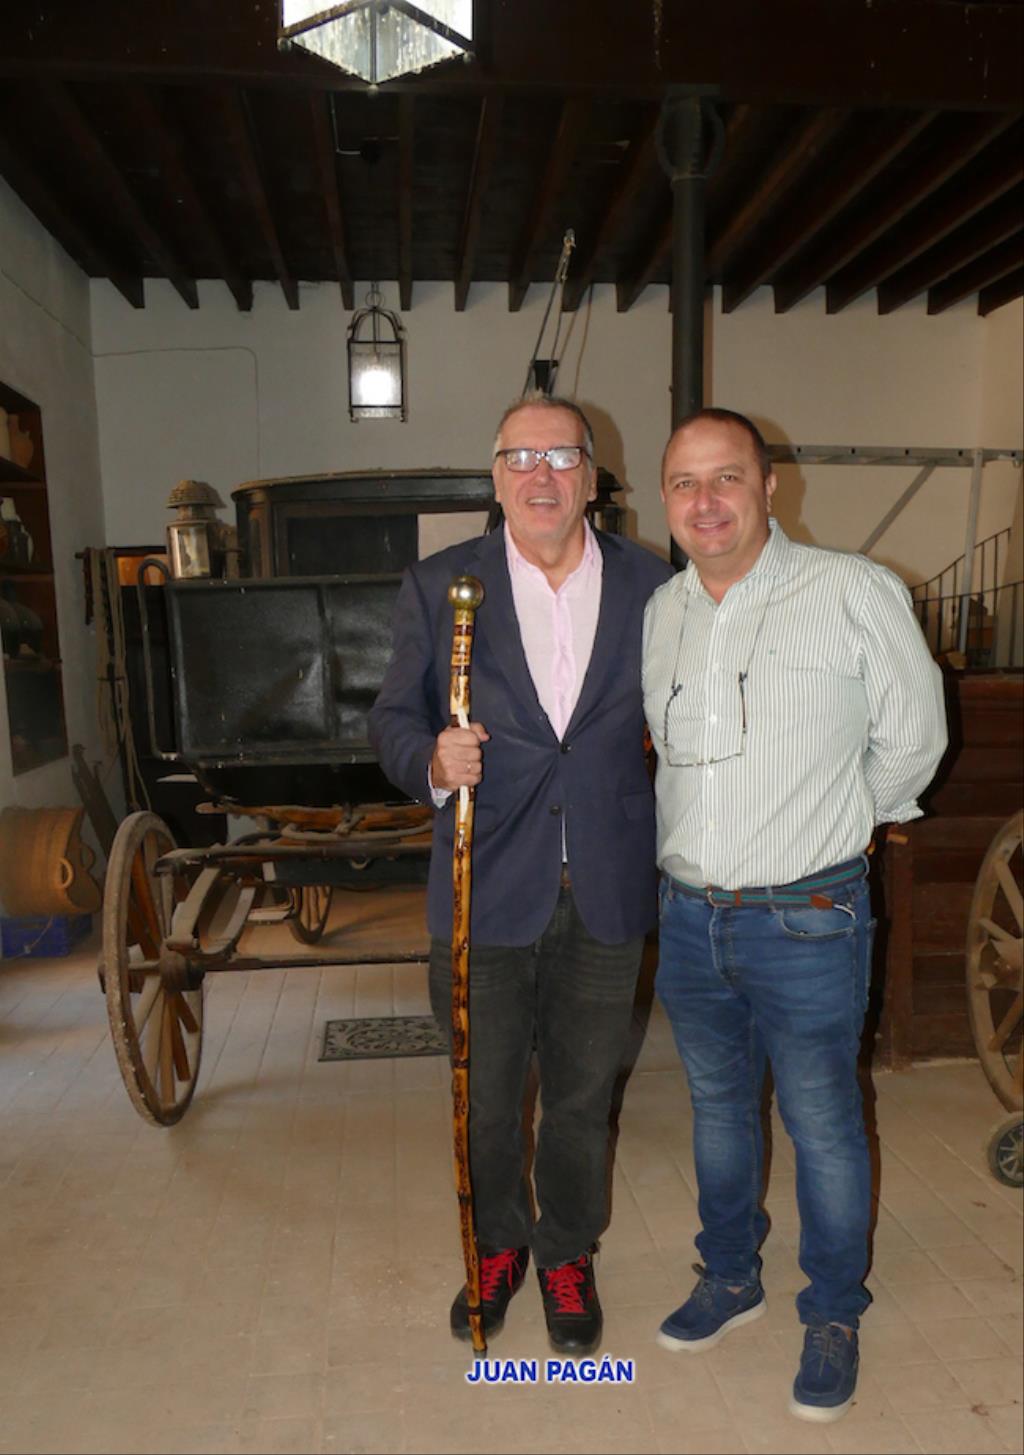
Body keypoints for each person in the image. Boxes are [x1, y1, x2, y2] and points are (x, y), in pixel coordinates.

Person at [642, 408, 947, 1421]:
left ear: (770, 486)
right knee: (718, 1111)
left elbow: (916, 736)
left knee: (821, 1123)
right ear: (665, 499)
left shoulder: (852, 590)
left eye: (726, 477)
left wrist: (840, 821)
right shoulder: (663, 612)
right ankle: (730, 1274)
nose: (705, 501)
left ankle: (833, 1310)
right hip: (690, 918)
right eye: (684, 483)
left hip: (808, 917)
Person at [369, 394, 672, 1354]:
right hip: (484, 882)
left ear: (592, 475)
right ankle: (498, 1245)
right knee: (487, 1097)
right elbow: (390, 717)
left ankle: (567, 1249)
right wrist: (430, 758)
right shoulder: (440, 585)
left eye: (562, 456)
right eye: (521, 458)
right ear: (496, 478)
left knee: (583, 1095)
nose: (542, 474)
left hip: (608, 884)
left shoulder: (651, 583)